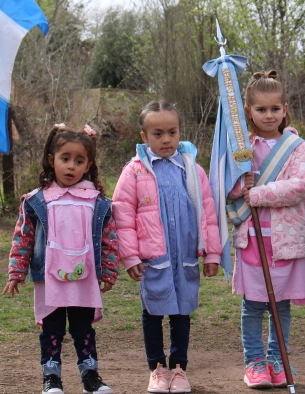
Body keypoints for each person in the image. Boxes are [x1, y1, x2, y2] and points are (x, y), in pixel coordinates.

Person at [112, 100, 221, 394]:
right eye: (157, 133)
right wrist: (130, 256)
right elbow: (122, 215)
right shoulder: (134, 172)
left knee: (182, 312)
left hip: (184, 256)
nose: (166, 139)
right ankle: (157, 369)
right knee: (152, 312)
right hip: (153, 260)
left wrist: (212, 253)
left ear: (179, 132)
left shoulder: (192, 170)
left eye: (172, 132)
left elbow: (207, 214)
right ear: (144, 136)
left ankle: (179, 369)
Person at [3, 124, 119, 394]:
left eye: (79, 161)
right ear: (51, 160)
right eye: (65, 158)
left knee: (83, 329)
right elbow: (23, 237)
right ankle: (51, 378)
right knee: (52, 330)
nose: (71, 166)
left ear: (88, 165)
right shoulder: (37, 201)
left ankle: (91, 376)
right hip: (50, 279)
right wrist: (16, 271)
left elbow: (109, 237)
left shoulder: (97, 202)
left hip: (84, 278)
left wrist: (110, 269)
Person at [226, 70, 305, 389]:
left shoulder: (296, 146)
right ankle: (255, 363)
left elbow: (299, 186)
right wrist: (239, 185)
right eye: (261, 109)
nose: (269, 115)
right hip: (252, 240)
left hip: (285, 242)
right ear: (248, 111)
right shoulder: (240, 145)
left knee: (281, 305)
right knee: (253, 306)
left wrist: (258, 193)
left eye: (275, 108)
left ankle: (278, 360)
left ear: (285, 109)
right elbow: (225, 184)